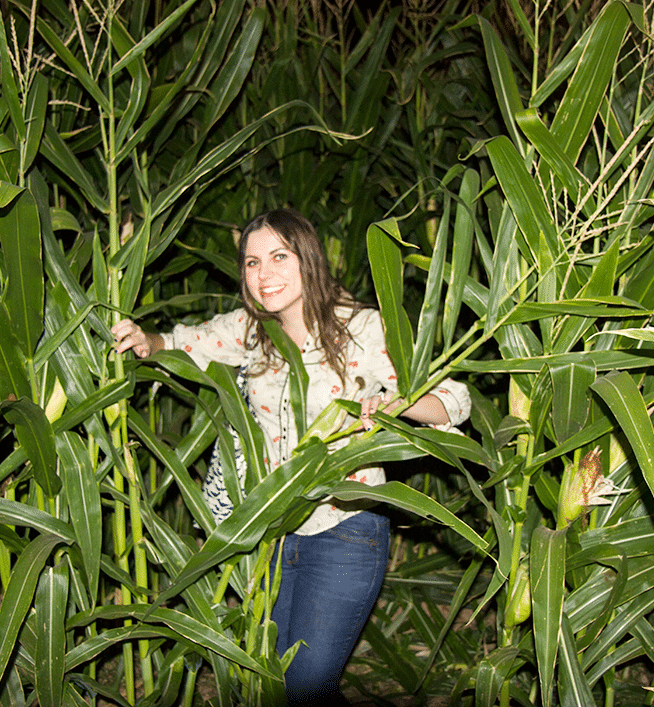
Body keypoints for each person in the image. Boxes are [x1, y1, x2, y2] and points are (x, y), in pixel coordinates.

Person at [112, 207, 470, 705]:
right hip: (272, 535)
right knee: (282, 683)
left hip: (347, 528)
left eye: (279, 256)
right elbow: (180, 342)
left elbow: (454, 399)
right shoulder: (251, 330)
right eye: (252, 262)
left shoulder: (361, 329)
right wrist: (145, 341)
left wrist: (396, 403)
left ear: (308, 259)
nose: (264, 274)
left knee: (305, 685)